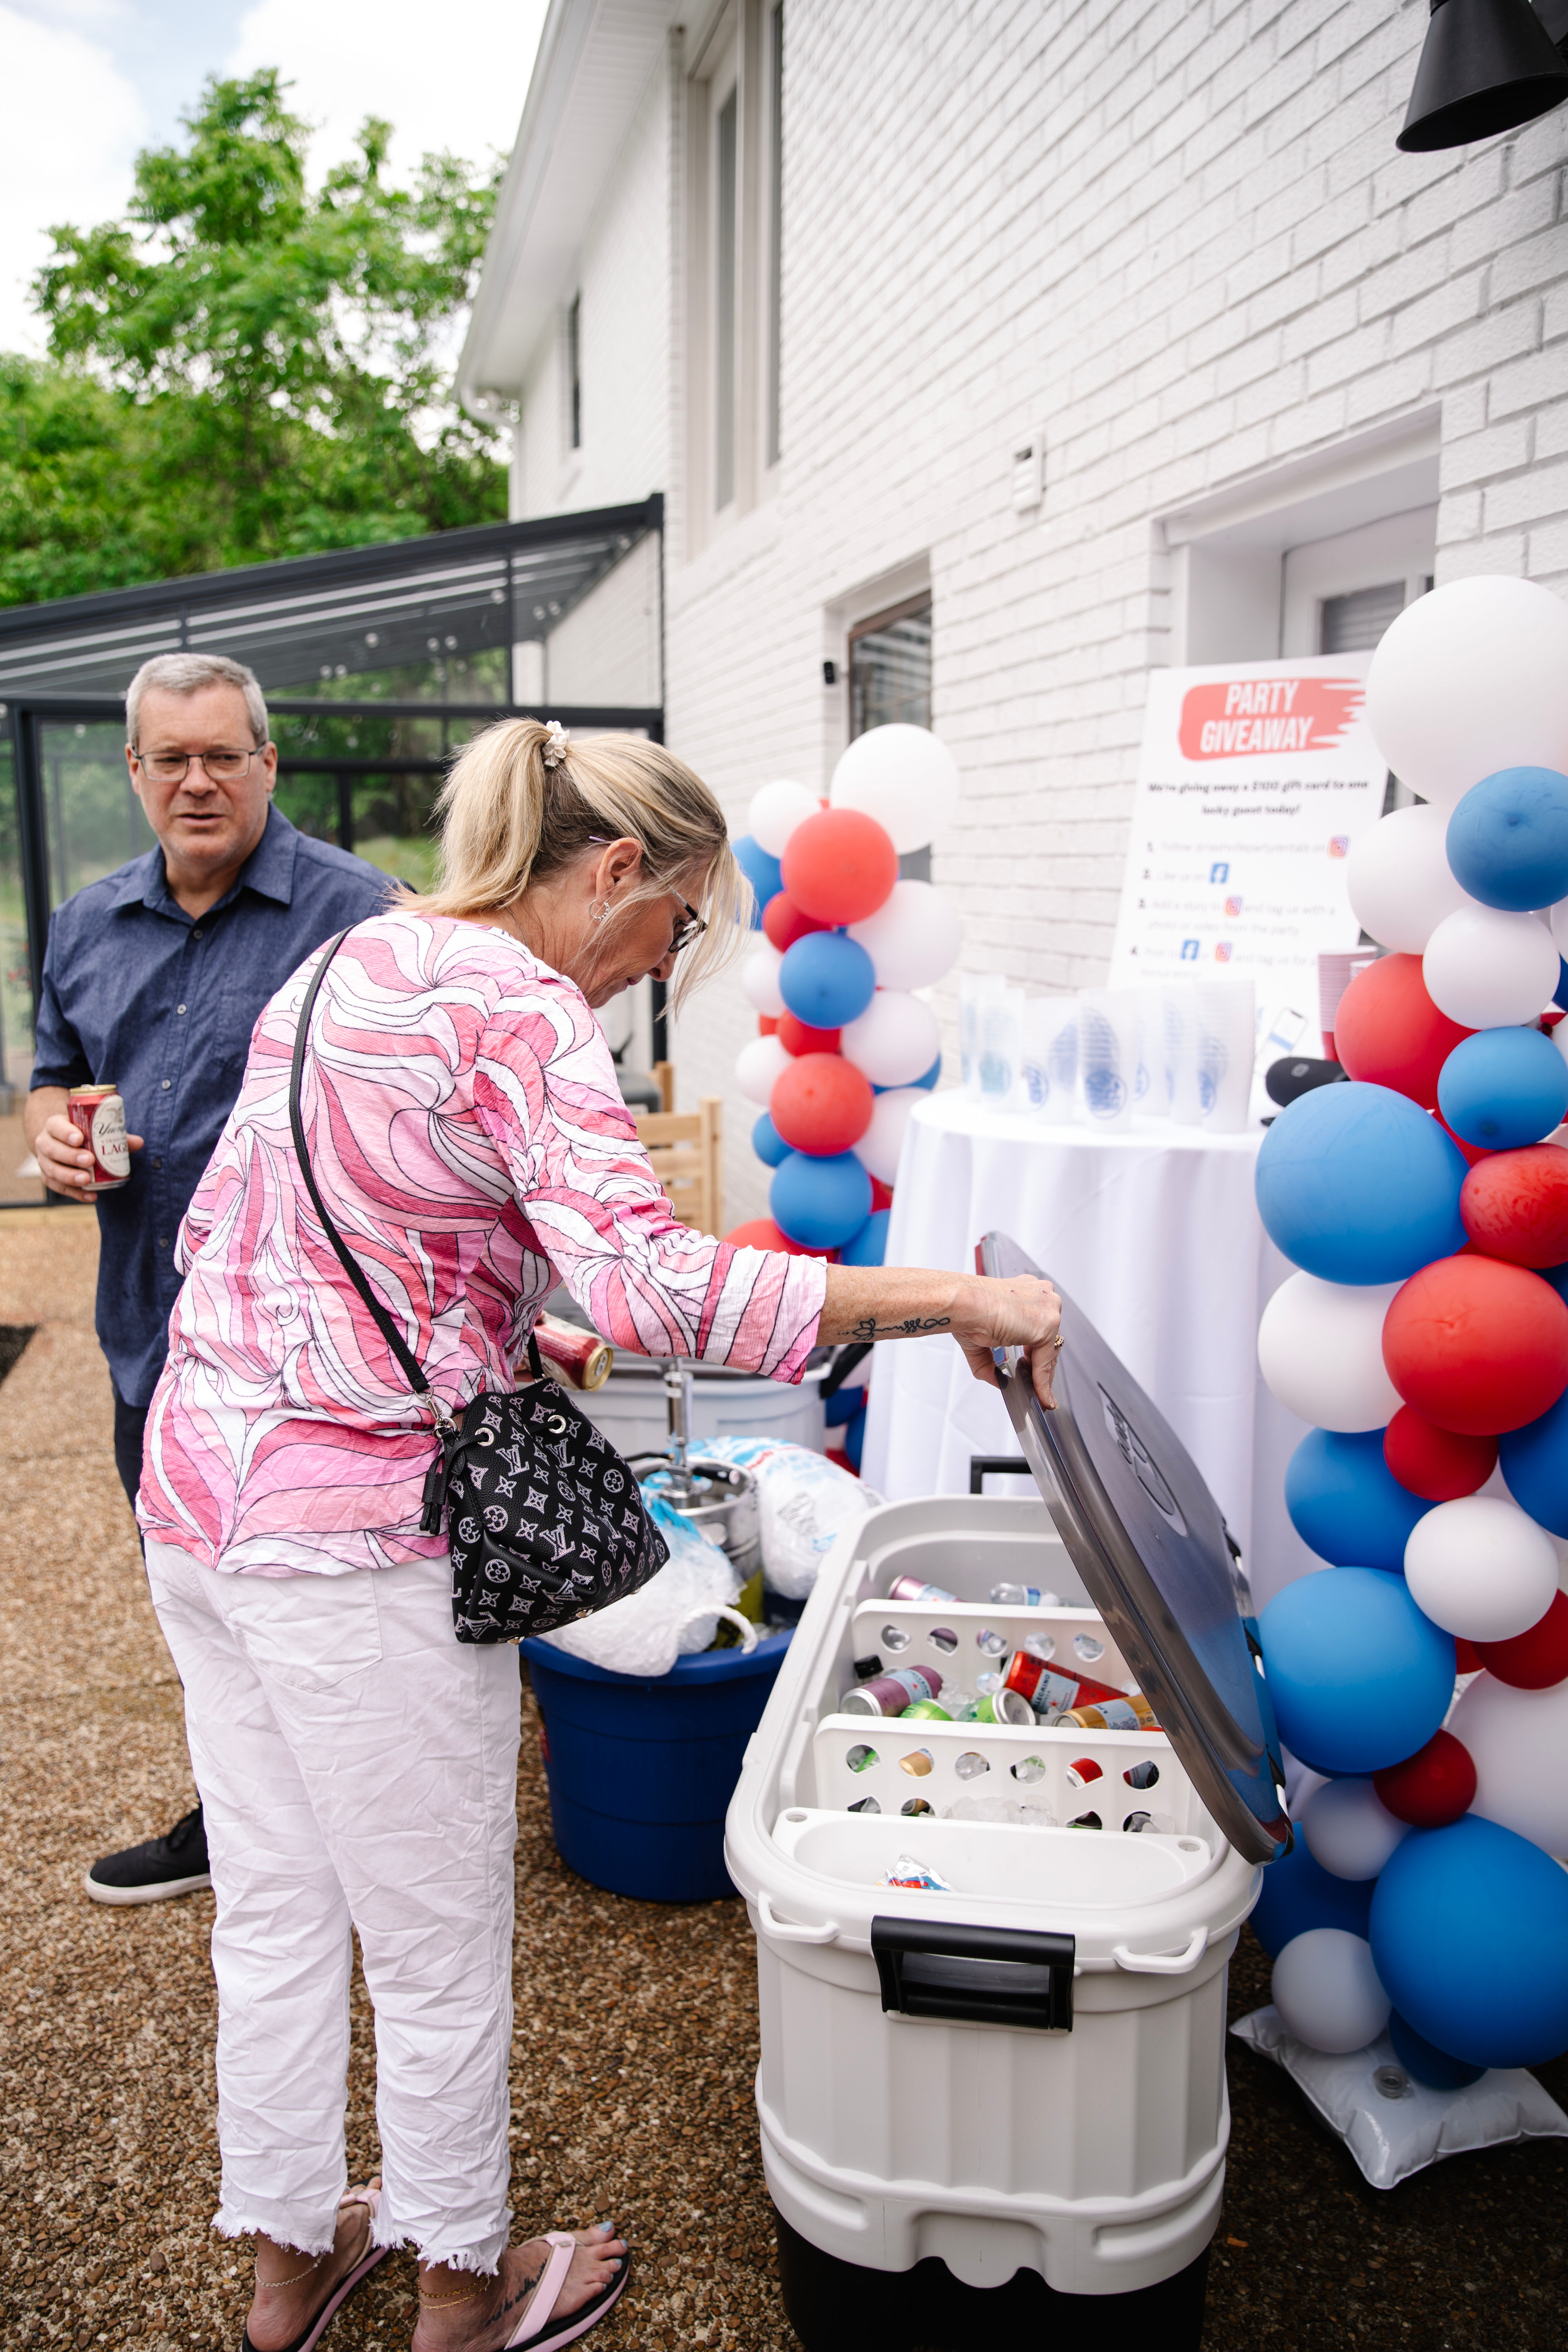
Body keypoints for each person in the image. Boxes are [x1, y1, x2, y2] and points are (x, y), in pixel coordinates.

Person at [134, 716, 1063, 2352]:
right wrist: (948, 1297)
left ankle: (288, 2268)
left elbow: (256, 1223)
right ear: (619, 869)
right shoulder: (523, 1005)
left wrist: (495, 1319)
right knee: (433, 1954)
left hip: (204, 1503)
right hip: (360, 1535)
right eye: (678, 923)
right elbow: (658, 1286)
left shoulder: (353, 954)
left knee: (275, 1911)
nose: (663, 961)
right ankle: (463, 2292)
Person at [25, 651, 392, 1906]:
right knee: (208, 1623)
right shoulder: (84, 925)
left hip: (314, 1357)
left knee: (326, 1619)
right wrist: (48, 1128)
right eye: (171, 758)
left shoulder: (361, 917)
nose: (199, 781)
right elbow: (54, 1063)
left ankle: (360, 1841)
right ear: (133, 772)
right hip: (151, 1336)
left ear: (266, 763)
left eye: (223, 754)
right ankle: (241, 1825)